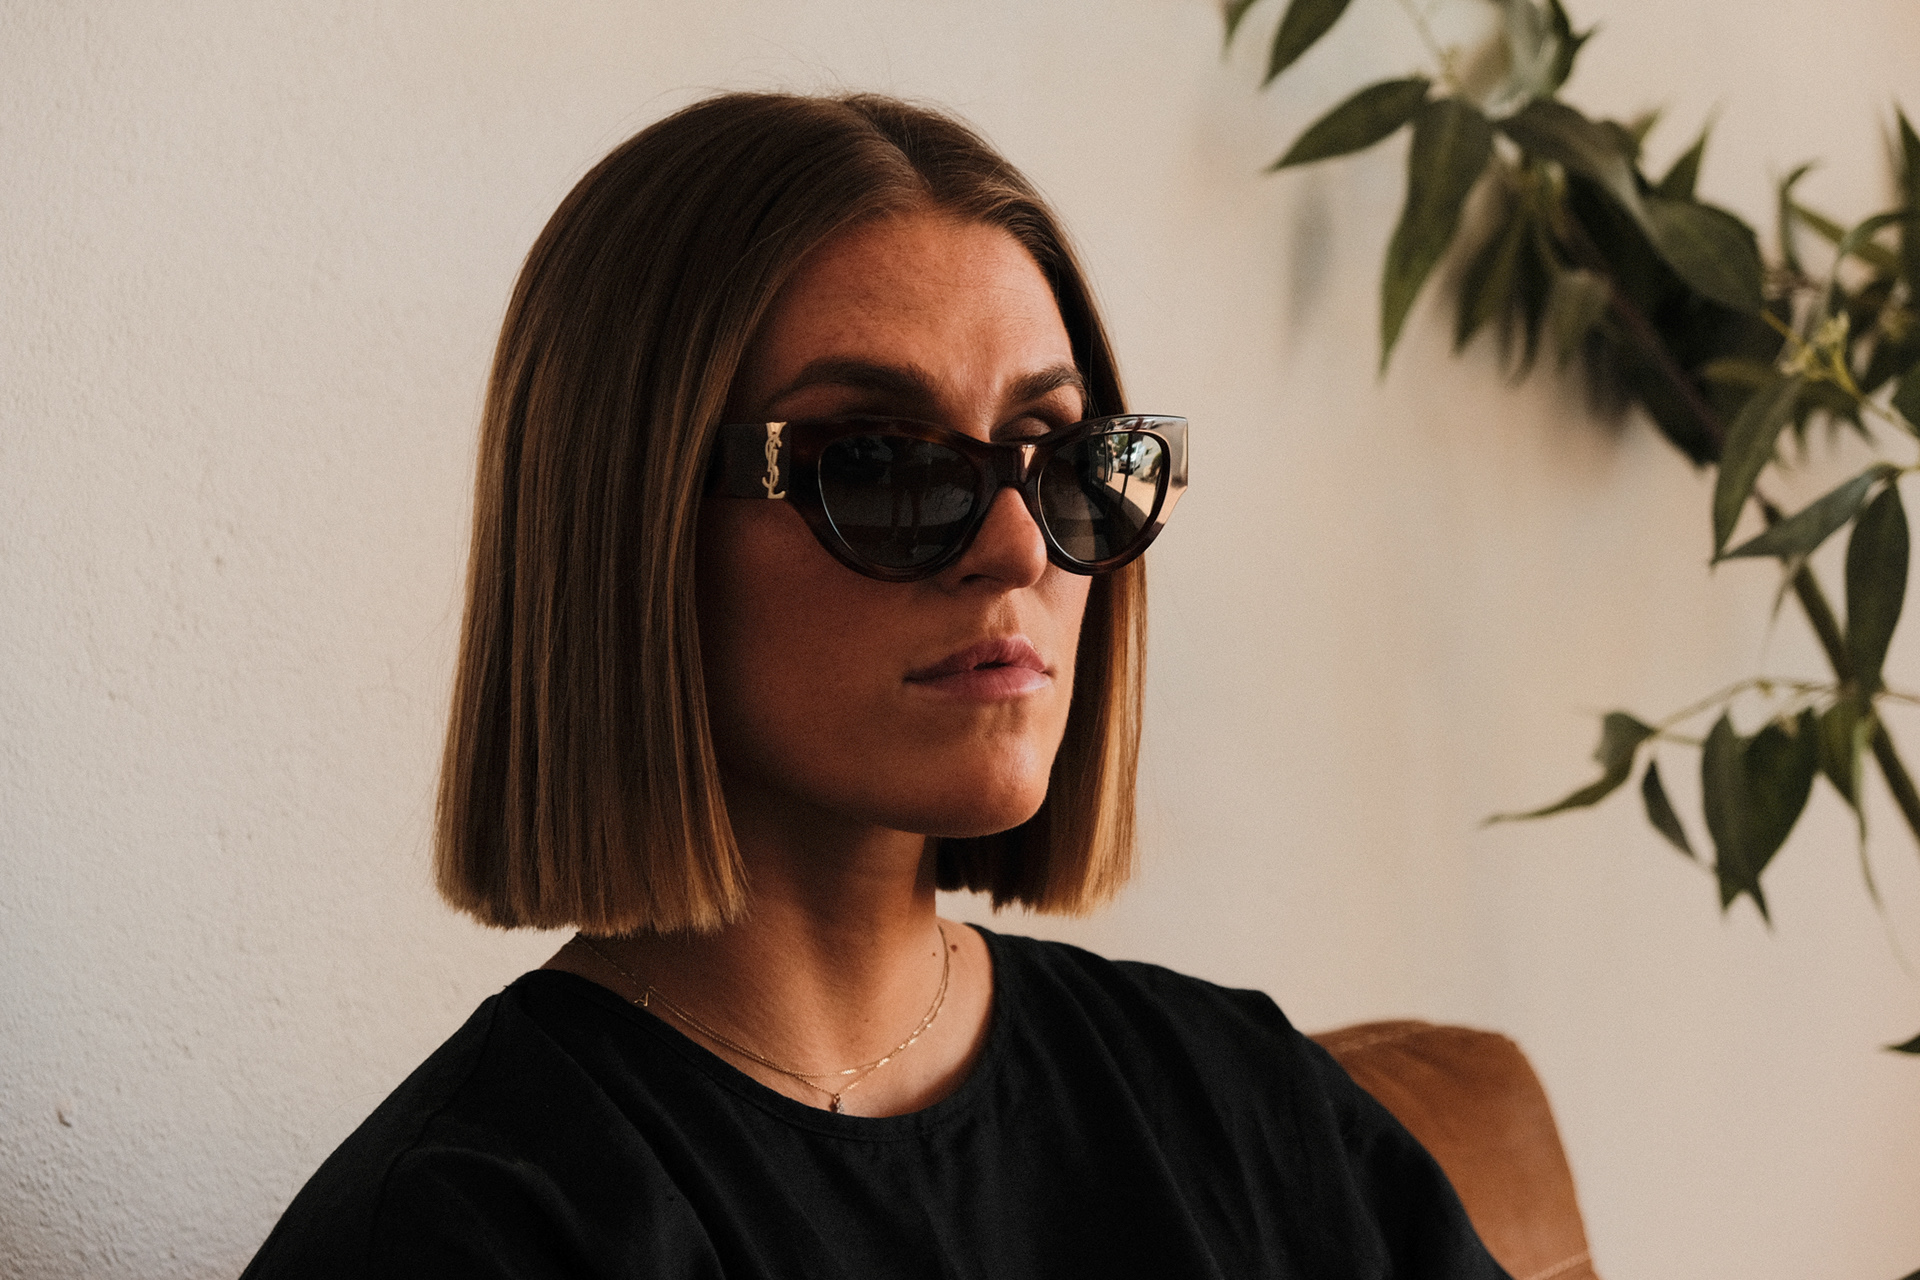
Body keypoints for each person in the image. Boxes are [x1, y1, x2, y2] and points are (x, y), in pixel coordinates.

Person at [240, 91, 1504, 1278]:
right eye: (882, 464)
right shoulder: (474, 1226)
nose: (1018, 546)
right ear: (631, 521)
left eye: (1055, 450)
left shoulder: (1245, 1105)